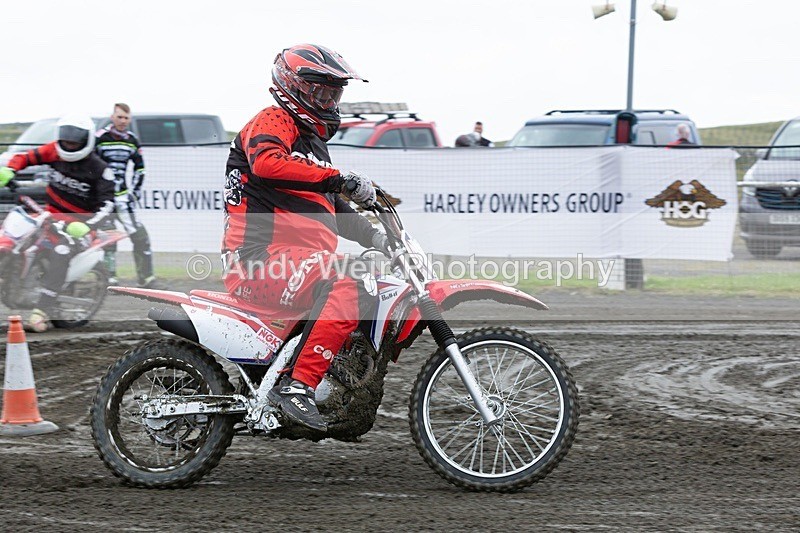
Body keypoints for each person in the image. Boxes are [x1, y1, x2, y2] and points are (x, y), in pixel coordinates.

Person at [222, 44, 389, 431]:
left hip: (295, 265)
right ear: (293, 86)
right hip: (258, 261)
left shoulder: (315, 147)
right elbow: (266, 162)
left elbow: (333, 212)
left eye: (335, 92)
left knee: (370, 276)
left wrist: (379, 238)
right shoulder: (273, 119)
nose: (329, 100)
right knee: (351, 277)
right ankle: (298, 387)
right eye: (320, 91)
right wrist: (340, 179)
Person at [0, 115, 115, 332]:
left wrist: (88, 226)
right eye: (66, 138)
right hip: (48, 216)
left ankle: (42, 311)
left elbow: (108, 205)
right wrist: (10, 169)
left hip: (78, 226)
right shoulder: (53, 150)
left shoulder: (100, 169)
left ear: (87, 140)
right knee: (11, 235)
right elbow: (26, 157)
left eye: (75, 140)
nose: (69, 143)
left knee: (61, 251)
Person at [95, 103, 162, 288]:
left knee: (141, 237)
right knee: (108, 239)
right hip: (104, 200)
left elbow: (140, 169)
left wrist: (134, 193)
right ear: (112, 117)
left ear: (129, 119)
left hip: (124, 199)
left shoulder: (132, 140)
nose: (123, 121)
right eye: (119, 117)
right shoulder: (99, 138)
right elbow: (90, 167)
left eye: (126, 118)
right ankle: (109, 280)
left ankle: (146, 279)